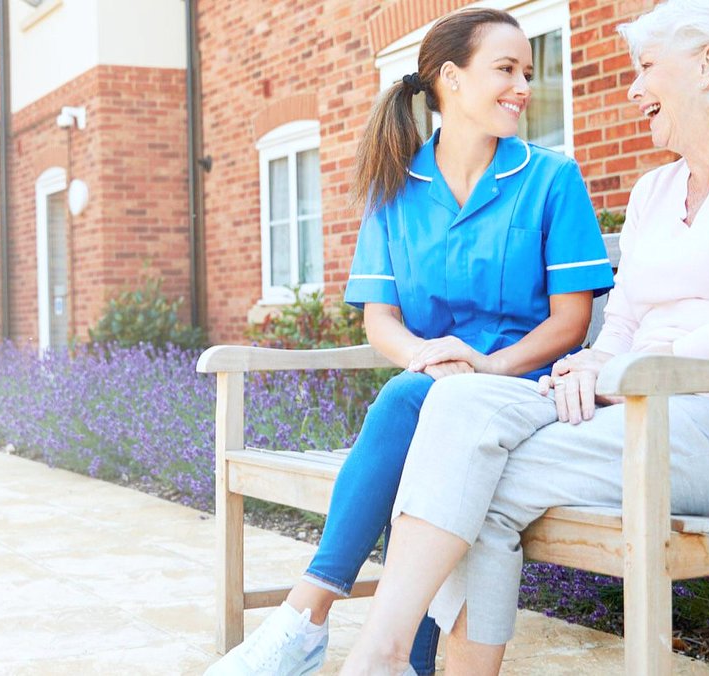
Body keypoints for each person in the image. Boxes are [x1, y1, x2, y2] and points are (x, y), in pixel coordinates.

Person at [338, 1, 709, 674]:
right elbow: (628, 324)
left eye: (645, 69)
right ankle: (388, 653)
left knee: (479, 477)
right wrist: (591, 364)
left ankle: (380, 655)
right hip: (641, 409)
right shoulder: (654, 191)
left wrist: (625, 369)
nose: (633, 90)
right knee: (457, 405)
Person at [205, 8, 614, 676]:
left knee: (408, 404)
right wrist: (428, 358)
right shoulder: (396, 187)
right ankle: (406, 665)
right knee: (419, 417)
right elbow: (381, 320)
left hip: (523, 386)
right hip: (433, 387)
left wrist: (483, 365)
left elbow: (569, 324)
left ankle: (305, 617)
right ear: (451, 79)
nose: (523, 87)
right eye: (505, 69)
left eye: (528, 73)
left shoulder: (551, 179)